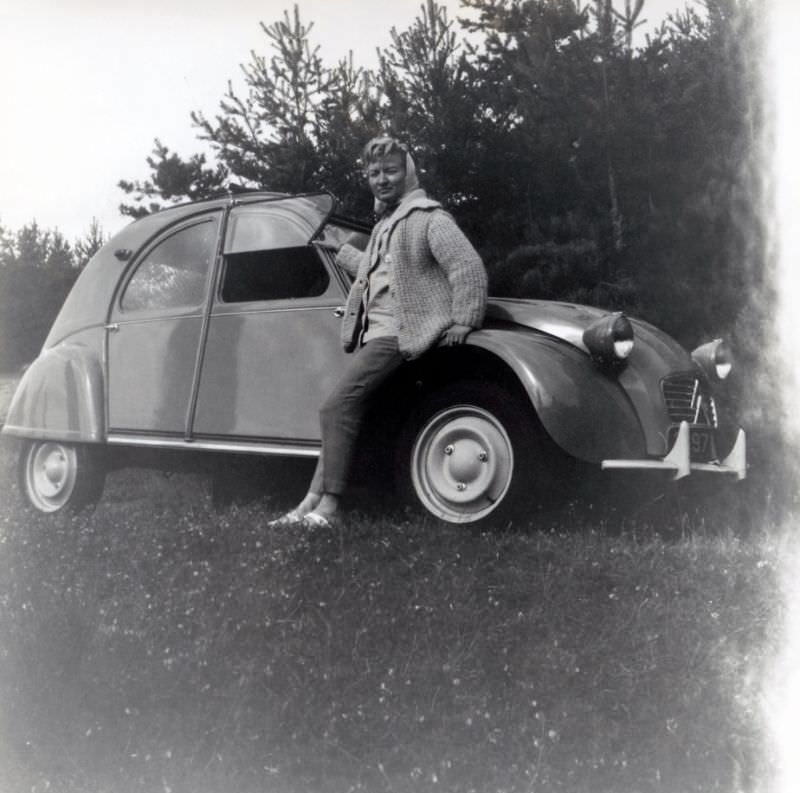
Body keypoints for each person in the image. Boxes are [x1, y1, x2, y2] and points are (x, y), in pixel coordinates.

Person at [270, 135, 488, 529]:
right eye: (374, 173)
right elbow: (372, 271)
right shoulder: (388, 224)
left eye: (390, 171)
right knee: (342, 411)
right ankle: (309, 502)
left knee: (335, 407)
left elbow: (467, 267)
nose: (382, 179)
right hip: (379, 335)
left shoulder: (428, 218)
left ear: (408, 172)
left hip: (399, 336)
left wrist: (464, 319)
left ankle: (330, 508)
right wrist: (337, 247)